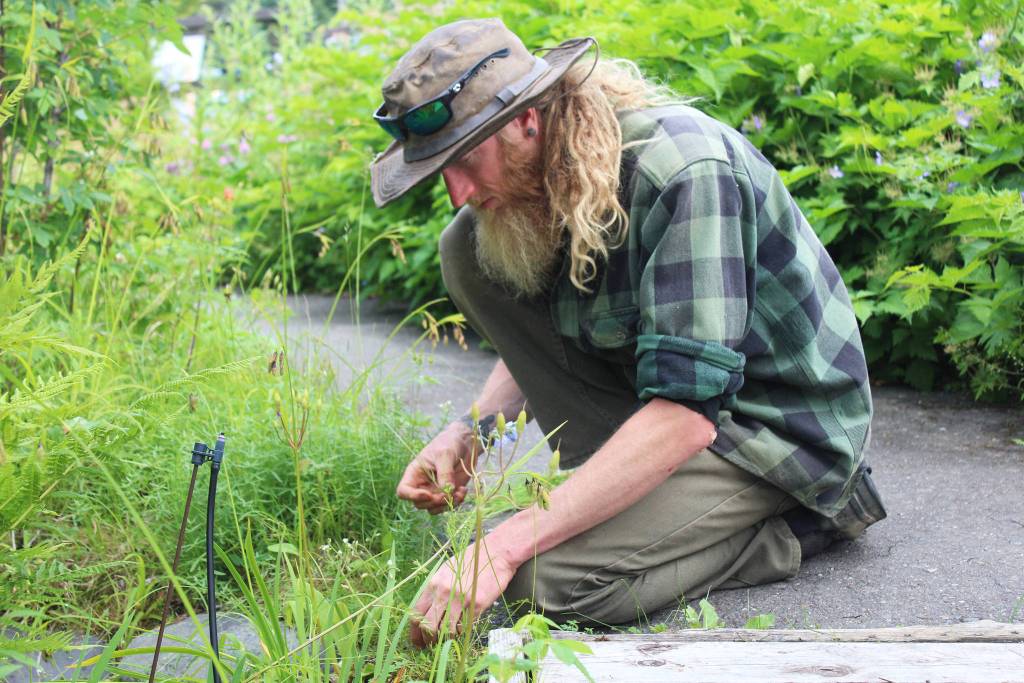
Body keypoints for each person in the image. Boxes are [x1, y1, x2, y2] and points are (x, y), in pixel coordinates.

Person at [369, 18, 886, 646]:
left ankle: (795, 525)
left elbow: (688, 413)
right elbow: (549, 336)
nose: (456, 192)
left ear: (525, 120)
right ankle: (633, 499)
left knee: (538, 581)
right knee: (465, 247)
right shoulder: (541, 185)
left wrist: (506, 547)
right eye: (438, 172)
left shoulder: (681, 172)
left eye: (465, 160)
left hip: (770, 433)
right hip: (667, 410)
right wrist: (473, 432)